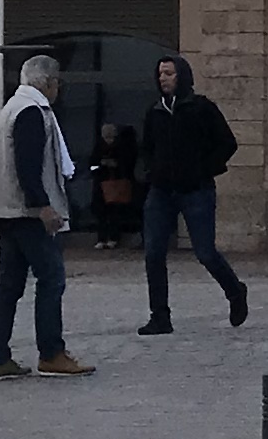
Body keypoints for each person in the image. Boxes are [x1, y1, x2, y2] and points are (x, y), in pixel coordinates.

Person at [0, 53, 93, 379]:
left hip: (6, 210)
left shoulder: (11, 108)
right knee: (51, 279)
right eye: (57, 81)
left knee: (9, 285)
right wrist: (42, 206)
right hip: (25, 212)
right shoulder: (32, 112)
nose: (58, 88)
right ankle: (52, 352)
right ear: (46, 82)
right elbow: (28, 164)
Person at [136, 55, 248, 333]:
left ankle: (235, 292)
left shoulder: (201, 108)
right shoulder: (154, 111)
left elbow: (227, 143)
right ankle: (159, 316)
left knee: (205, 252)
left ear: (182, 77)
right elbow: (147, 146)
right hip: (161, 191)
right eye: (160, 73)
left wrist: (203, 170)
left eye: (169, 74)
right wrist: (151, 172)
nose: (163, 78)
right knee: (153, 253)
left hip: (196, 190)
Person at [89, 120, 140, 251]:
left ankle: (113, 238)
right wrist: (101, 165)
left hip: (116, 183)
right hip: (101, 183)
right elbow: (92, 165)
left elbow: (128, 164)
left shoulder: (123, 147)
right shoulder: (98, 147)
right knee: (101, 213)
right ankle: (101, 238)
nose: (108, 139)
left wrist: (116, 165)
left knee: (114, 213)